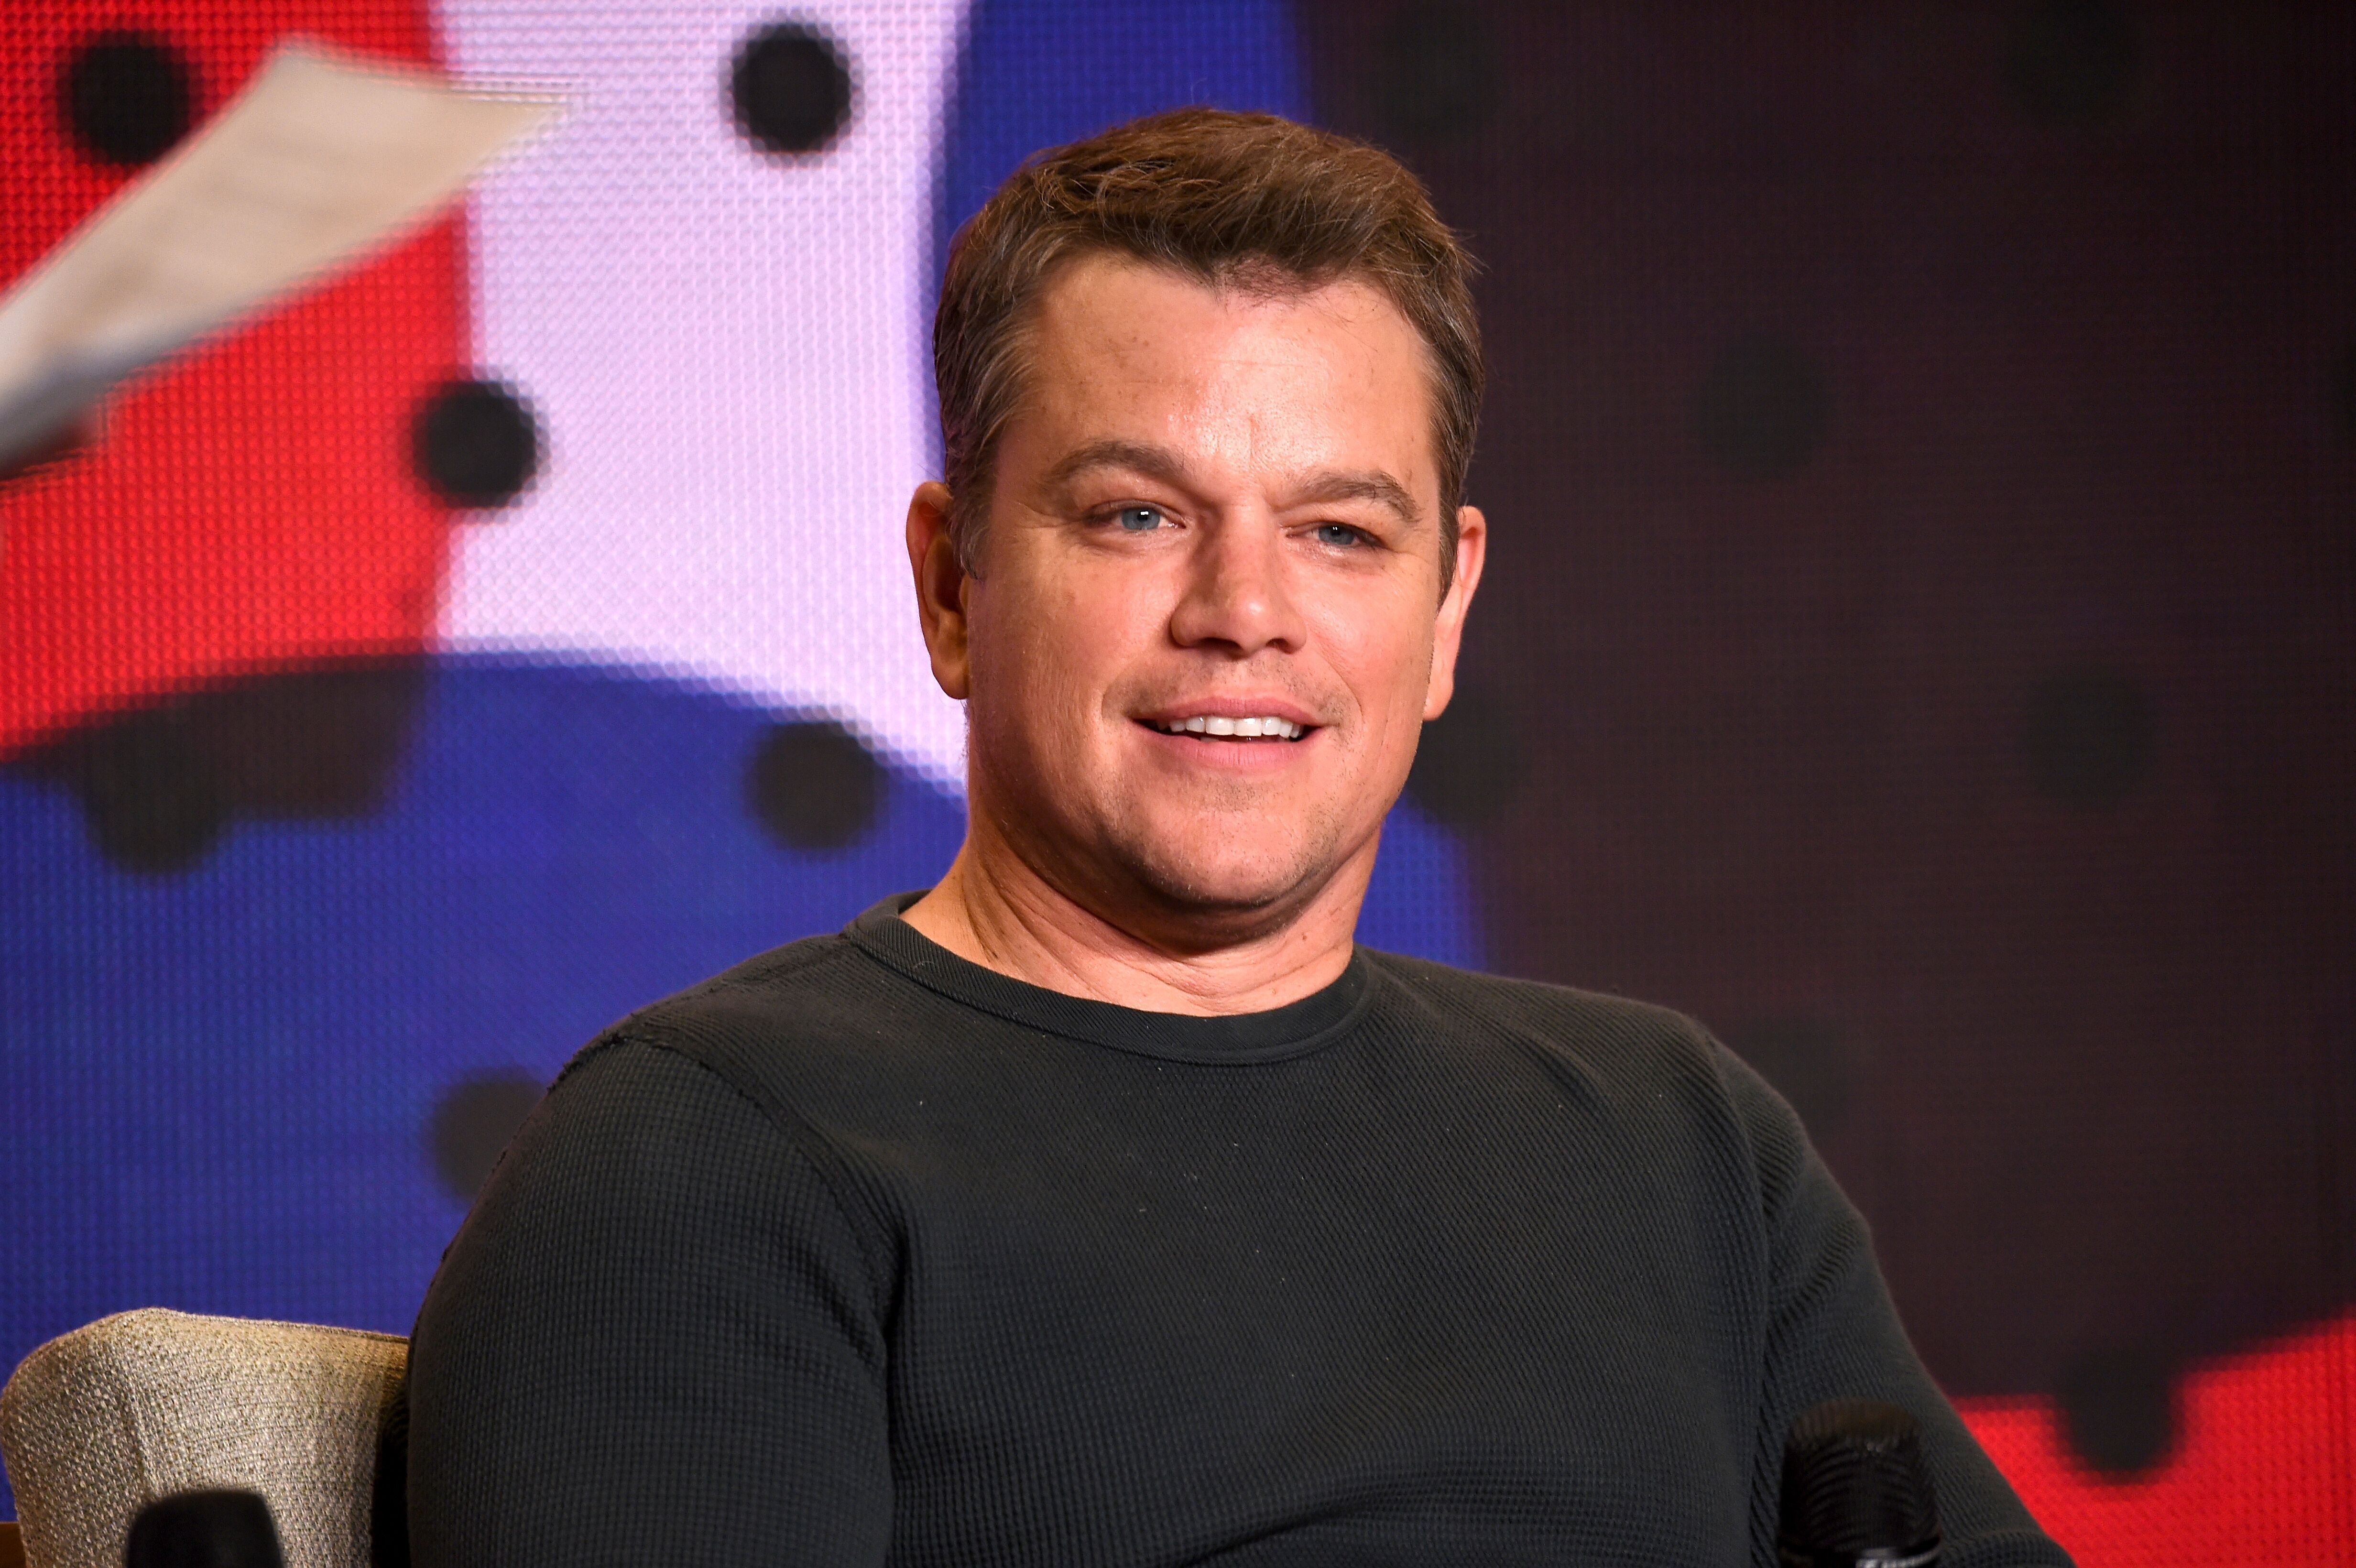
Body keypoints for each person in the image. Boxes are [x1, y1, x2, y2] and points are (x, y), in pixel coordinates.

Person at [405, 110, 2070, 1567]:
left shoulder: (1685, 1144)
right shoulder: (705, 1162)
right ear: (952, 582)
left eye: (1342, 532)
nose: (1246, 613)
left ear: (1445, 612)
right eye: (1137, 515)